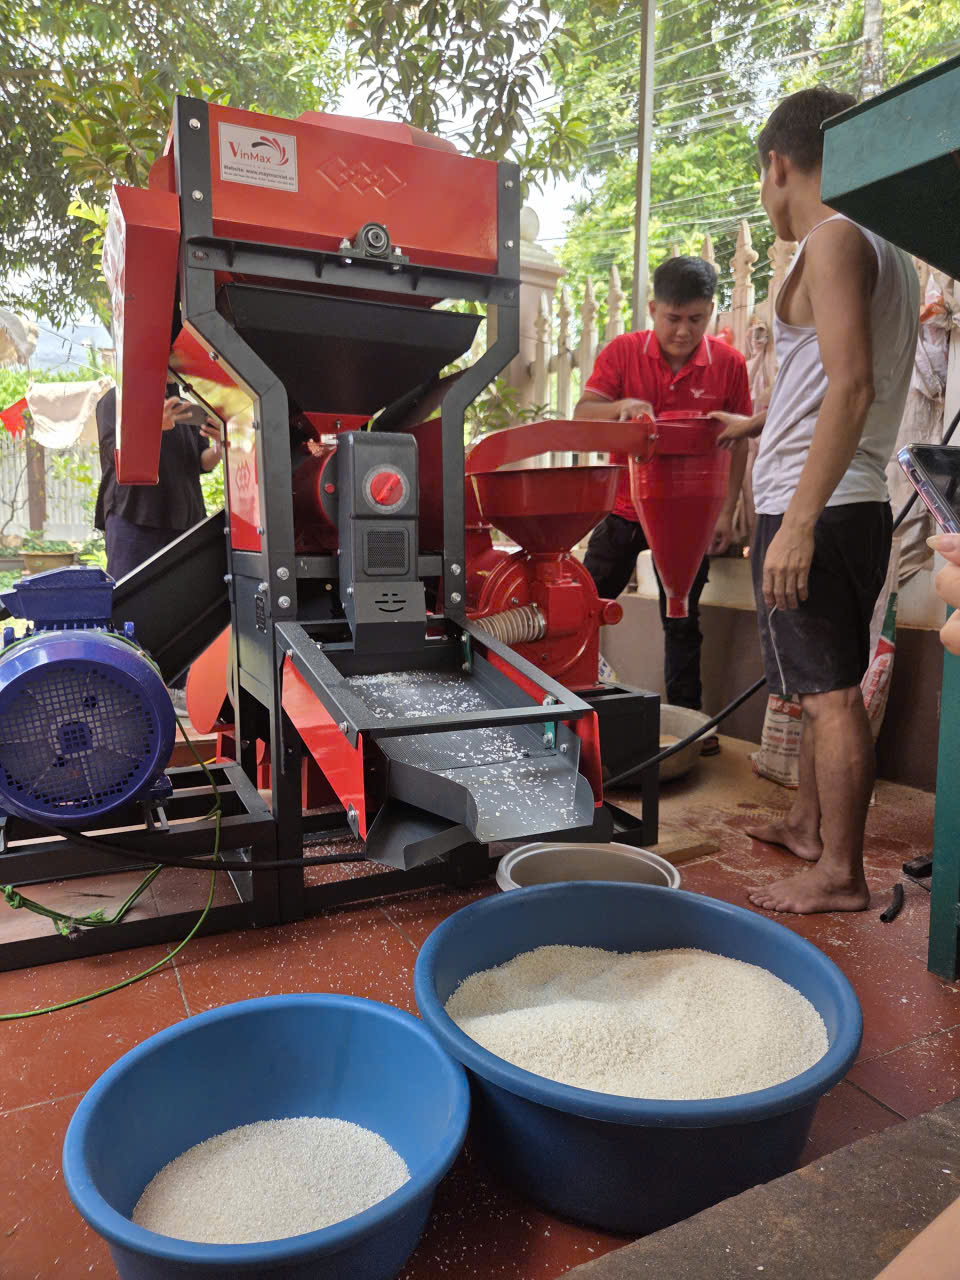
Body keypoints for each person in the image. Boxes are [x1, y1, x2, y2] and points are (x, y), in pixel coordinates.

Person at [713, 86, 920, 914]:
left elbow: (854, 384)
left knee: (830, 695)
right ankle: (807, 824)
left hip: (823, 509)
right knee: (814, 677)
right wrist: (756, 420)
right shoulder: (885, 246)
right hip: (844, 502)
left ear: (779, 164)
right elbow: (827, 378)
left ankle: (839, 872)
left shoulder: (832, 238)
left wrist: (796, 524)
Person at [575, 255, 751, 714]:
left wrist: (727, 511)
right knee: (585, 607)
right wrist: (621, 407)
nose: (683, 331)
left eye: (696, 319)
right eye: (673, 318)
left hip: (692, 519)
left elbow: (739, 442)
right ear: (653, 309)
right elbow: (582, 414)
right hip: (623, 508)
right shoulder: (622, 353)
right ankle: (571, 703)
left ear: (711, 312)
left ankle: (689, 723)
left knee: (683, 620)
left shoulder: (730, 365)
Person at [94, 383, 221, 581]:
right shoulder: (117, 398)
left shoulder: (186, 407)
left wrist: (220, 446)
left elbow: (201, 463)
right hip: (133, 517)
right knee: (131, 600)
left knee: (185, 602)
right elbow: (113, 454)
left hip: (186, 520)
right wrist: (153, 426)